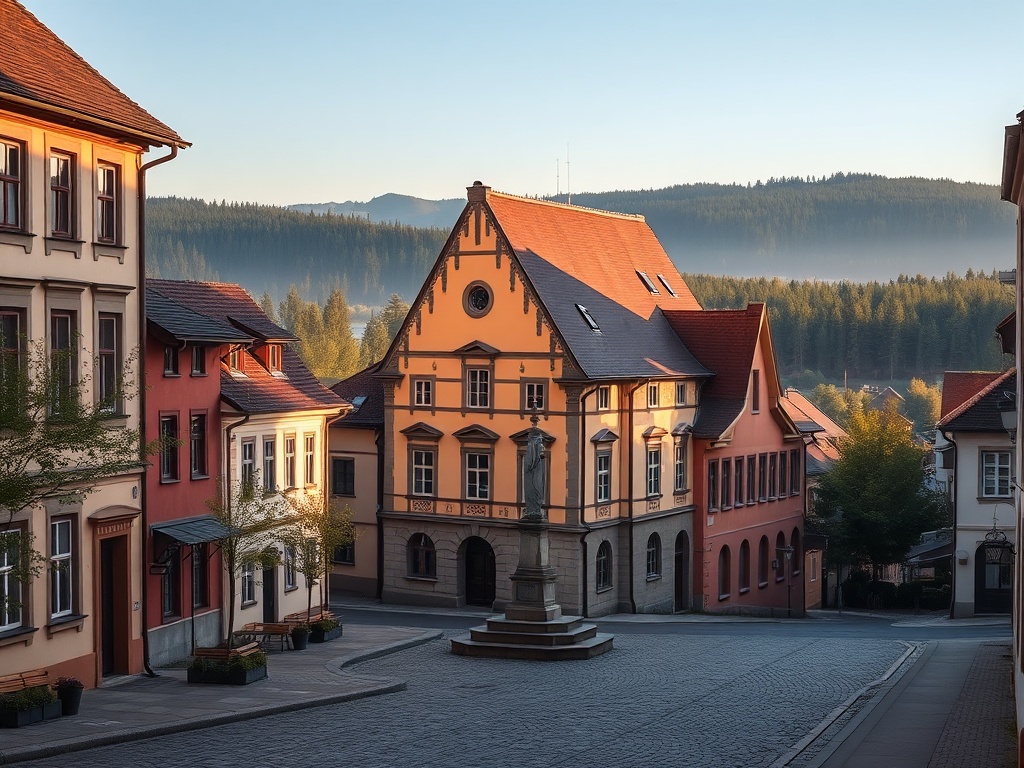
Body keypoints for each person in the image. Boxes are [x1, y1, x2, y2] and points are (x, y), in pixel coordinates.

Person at [523, 416, 545, 520]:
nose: (542, 447)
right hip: (532, 475)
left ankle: (536, 507)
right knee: (533, 486)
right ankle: (532, 508)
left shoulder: (538, 457)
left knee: (537, 486)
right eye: (540, 443)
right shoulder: (530, 454)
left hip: (535, 473)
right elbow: (530, 464)